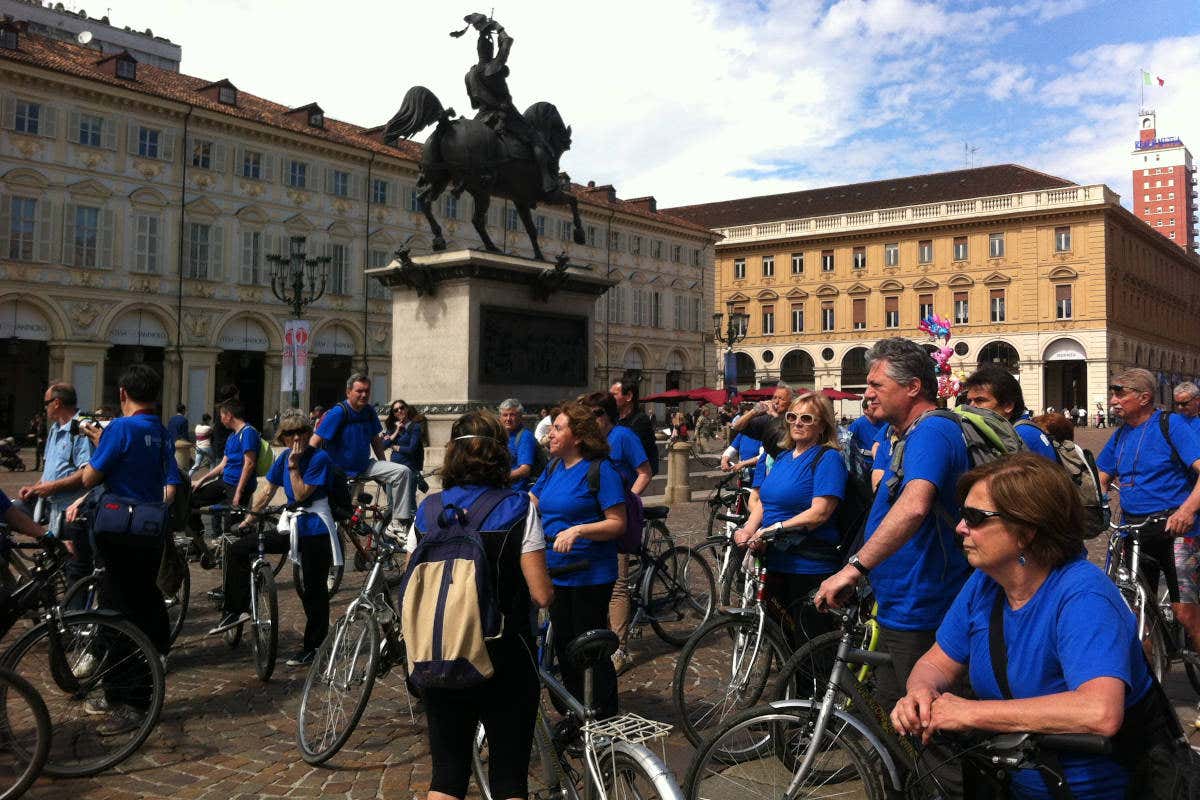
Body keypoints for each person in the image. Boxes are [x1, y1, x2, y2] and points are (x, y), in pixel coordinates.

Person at [892, 454, 1153, 799]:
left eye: (975, 517)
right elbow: (937, 661)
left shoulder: (1082, 596)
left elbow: (1100, 711)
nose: (960, 527)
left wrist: (970, 713)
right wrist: (920, 692)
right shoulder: (985, 584)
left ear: (1026, 532)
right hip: (1012, 784)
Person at [814, 337, 971, 793]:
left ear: (913, 387)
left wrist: (853, 568)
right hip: (897, 601)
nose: (868, 393)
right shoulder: (902, 435)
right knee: (890, 718)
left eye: (876, 384)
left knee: (931, 731)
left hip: (924, 605)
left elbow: (916, 505)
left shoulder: (933, 432)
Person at [408, 410, 553, 800]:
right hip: (504, 654)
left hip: (440, 654)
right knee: (509, 777)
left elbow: (412, 584)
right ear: (500, 455)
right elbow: (541, 594)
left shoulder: (428, 510)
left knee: (446, 777)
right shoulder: (519, 507)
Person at [61, 364, 181, 735]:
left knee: (116, 612)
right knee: (141, 603)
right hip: (148, 530)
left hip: (118, 529)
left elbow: (92, 476)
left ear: (123, 394)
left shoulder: (121, 428)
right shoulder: (160, 432)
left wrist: (50, 488)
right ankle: (137, 690)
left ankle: (127, 701)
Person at [215, 410, 337, 667]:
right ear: (282, 437)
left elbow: (303, 494)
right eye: (290, 433)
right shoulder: (281, 460)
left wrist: (294, 466)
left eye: (302, 431)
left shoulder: (319, 458)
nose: (297, 437)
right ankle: (236, 608)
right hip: (291, 526)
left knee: (313, 590)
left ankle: (314, 647)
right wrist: (248, 520)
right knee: (239, 548)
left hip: (316, 529)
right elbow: (267, 491)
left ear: (309, 432)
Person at [1098, 369, 1200, 672]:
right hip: (1134, 532)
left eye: (1120, 393)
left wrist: (1186, 511)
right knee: (1134, 609)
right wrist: (1097, 502)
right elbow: (1101, 477)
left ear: (1144, 398)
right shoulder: (1121, 434)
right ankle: (1151, 681)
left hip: (1177, 530)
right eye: (1113, 393)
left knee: (1185, 613)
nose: (1113, 400)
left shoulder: (1173, 425)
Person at [530, 402, 626, 719]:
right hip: (555, 571)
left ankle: (604, 715)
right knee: (565, 648)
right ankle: (575, 712)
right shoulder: (553, 467)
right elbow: (532, 501)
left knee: (590, 650)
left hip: (590, 574)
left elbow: (616, 523)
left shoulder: (601, 469)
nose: (551, 432)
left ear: (578, 436)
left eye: (558, 428)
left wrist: (579, 530)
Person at [734, 391, 847, 647]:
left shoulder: (827, 458)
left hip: (808, 565)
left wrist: (777, 528)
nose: (797, 422)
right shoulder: (784, 457)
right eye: (792, 416)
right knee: (784, 640)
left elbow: (820, 512)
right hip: (776, 561)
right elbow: (766, 501)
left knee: (809, 643)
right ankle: (791, 687)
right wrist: (749, 527)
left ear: (822, 426)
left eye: (807, 418)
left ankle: (815, 688)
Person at [580, 391, 651, 675]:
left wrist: (628, 500)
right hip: (593, 518)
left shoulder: (622, 436)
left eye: (596, 413)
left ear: (607, 415)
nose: (591, 419)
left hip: (615, 516)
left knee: (618, 586)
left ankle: (620, 648)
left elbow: (644, 471)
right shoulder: (588, 441)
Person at [459, 14, 560, 195]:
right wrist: (498, 27)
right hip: (504, 114)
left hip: (481, 117)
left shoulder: (469, 74)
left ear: (477, 50)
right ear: (490, 50)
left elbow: (474, 103)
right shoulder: (493, 66)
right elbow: (507, 43)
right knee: (536, 138)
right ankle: (546, 179)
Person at [311, 373, 414, 535]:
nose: (364, 395)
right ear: (348, 392)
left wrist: (385, 467)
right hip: (339, 474)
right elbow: (314, 441)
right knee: (338, 522)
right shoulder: (338, 412)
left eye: (367, 391)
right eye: (359, 391)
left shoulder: (369, 411)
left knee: (403, 472)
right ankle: (336, 552)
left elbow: (376, 441)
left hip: (365, 466)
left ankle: (396, 523)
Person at [17, 382, 95, 590]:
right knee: (12, 510)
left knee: (74, 569)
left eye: (46, 403)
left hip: (71, 510)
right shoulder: (54, 430)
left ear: (57, 403)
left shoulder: (81, 428)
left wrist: (51, 487)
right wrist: (35, 487)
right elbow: (52, 470)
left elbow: (86, 474)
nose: (45, 408)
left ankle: (75, 617)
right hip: (51, 506)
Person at [189, 399, 259, 536]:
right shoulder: (231, 436)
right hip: (224, 482)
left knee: (232, 527)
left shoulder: (248, 432)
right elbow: (222, 465)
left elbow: (249, 464)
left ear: (229, 415)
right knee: (191, 500)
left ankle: (238, 551)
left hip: (238, 485)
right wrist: (202, 480)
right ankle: (197, 539)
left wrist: (238, 492)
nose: (220, 420)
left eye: (221, 416)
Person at [961, 363, 1057, 461]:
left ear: (1008, 405)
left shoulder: (1021, 434)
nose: (970, 406)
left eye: (980, 400)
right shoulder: (1019, 430)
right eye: (969, 401)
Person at [383, 399, 427, 511]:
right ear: (393, 413)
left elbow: (412, 449)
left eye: (402, 408)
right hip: (393, 470)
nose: (400, 411)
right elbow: (383, 445)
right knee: (392, 504)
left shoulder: (414, 427)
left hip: (408, 469)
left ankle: (413, 527)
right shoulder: (392, 428)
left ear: (406, 409)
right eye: (396, 410)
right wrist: (397, 431)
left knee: (409, 503)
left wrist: (396, 447)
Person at [729, 385, 794, 459]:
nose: (776, 402)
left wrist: (774, 414)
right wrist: (754, 411)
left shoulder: (794, 419)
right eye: (774, 398)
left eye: (781, 399)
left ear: (790, 402)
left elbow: (786, 437)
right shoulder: (767, 418)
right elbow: (737, 426)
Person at [610, 379, 658, 476]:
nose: (610, 399)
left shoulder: (640, 421)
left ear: (628, 396)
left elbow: (634, 452)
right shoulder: (613, 418)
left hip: (631, 478)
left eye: (614, 395)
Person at [500, 398, 537, 491]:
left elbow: (525, 470)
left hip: (516, 492)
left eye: (512, 415)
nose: (508, 419)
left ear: (520, 417)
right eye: (505, 415)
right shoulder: (500, 435)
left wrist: (500, 478)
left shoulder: (525, 436)